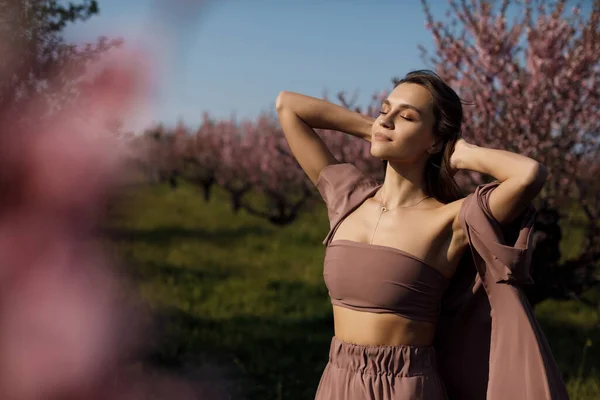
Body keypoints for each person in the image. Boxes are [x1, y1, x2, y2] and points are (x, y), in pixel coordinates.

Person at [275, 70, 569, 400]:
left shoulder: (451, 220)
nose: (387, 121)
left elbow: (529, 174)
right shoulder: (347, 198)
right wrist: (374, 129)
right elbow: (288, 106)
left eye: (407, 116)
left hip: (407, 386)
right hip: (337, 382)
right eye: (385, 110)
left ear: (433, 140)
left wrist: (460, 154)